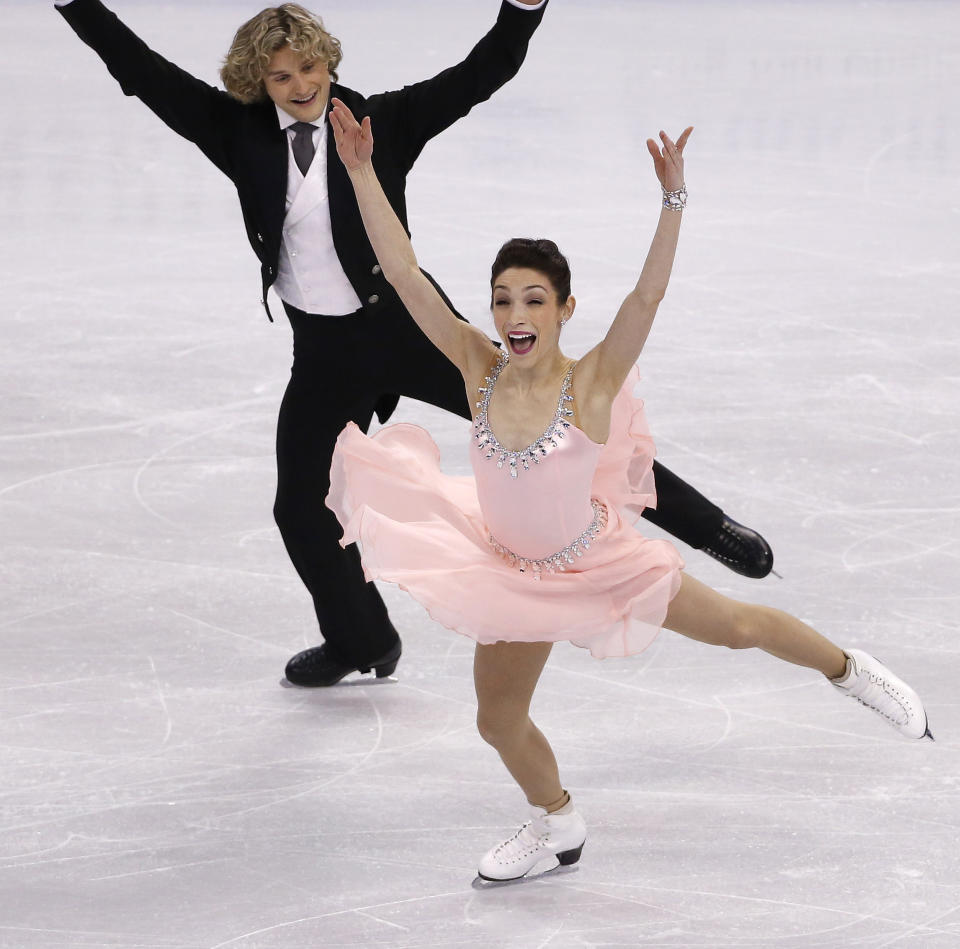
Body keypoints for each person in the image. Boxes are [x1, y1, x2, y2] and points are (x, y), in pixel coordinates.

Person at [24, 0, 775, 691]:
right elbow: (144, 73)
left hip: (411, 330)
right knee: (298, 505)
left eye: (309, 69)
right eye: (281, 78)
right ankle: (362, 638)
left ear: (327, 61)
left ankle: (708, 525)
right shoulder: (236, 132)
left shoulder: (383, 123)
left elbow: (478, 75)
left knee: (576, 433)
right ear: (259, 83)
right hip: (322, 351)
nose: (301, 87)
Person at [325, 97, 932, 882]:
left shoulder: (593, 380)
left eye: (533, 299)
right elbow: (405, 272)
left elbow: (645, 299)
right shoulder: (477, 365)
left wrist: (673, 200)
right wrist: (364, 171)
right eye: (503, 298)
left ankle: (850, 669)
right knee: (496, 718)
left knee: (739, 625)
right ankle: (559, 824)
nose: (515, 313)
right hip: (509, 568)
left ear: (564, 308)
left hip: (599, 560)